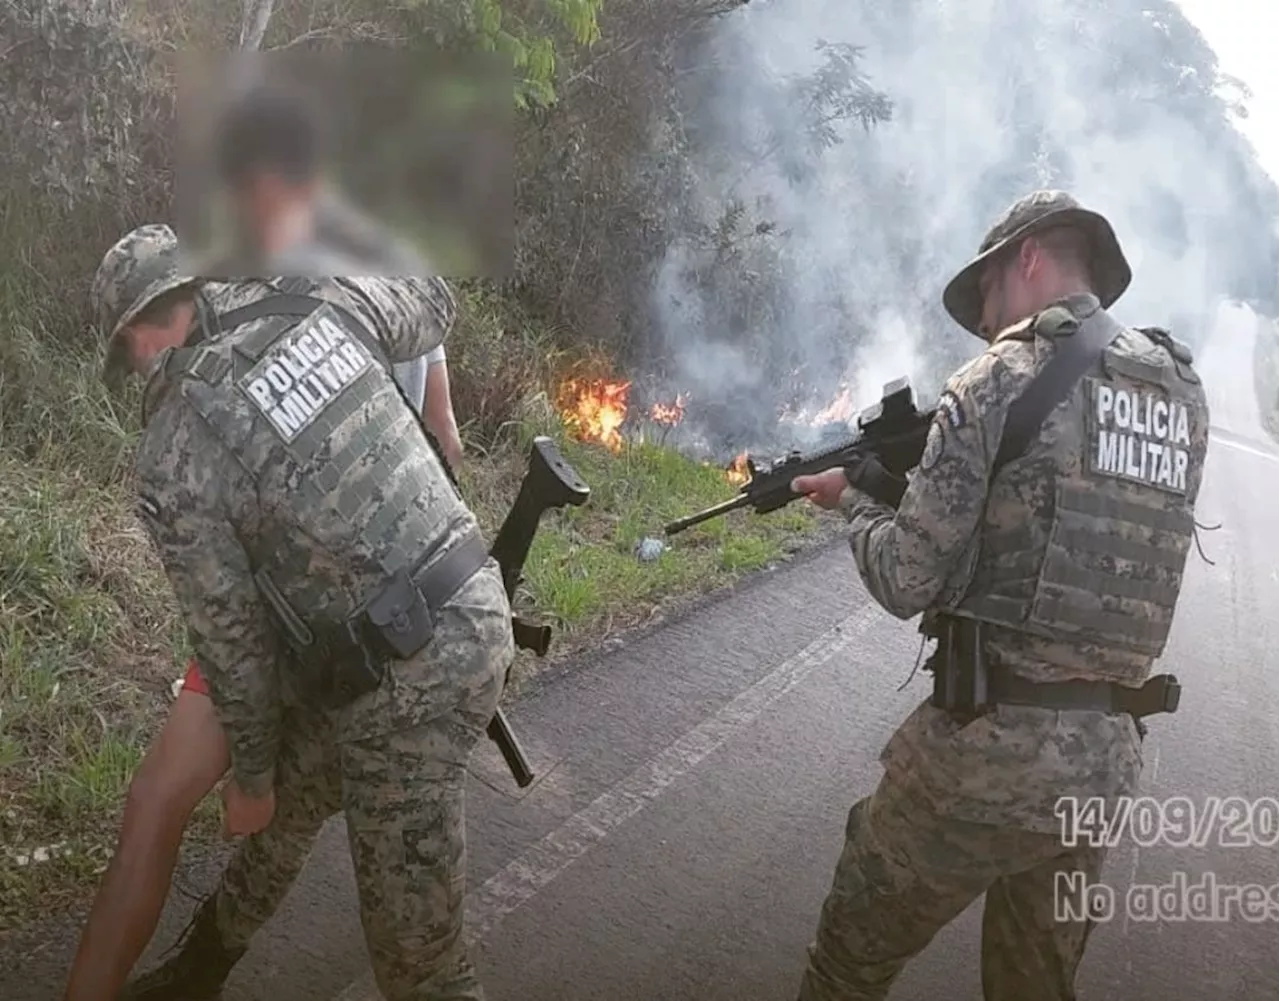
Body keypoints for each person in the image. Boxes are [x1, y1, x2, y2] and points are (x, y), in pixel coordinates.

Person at [62, 82, 466, 1001]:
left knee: (205, 811)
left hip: (342, 634)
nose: (135, 369)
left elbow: (233, 632)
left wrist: (247, 771)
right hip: (364, 620)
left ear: (147, 320)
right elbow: (435, 334)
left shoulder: (180, 434)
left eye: (130, 347)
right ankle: (202, 964)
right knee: (237, 813)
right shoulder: (309, 285)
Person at [789, 190, 1210, 1000]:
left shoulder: (995, 379)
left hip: (983, 762)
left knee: (846, 965)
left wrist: (851, 503)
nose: (984, 322)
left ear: (1027, 258)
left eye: (983, 295)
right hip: (1102, 767)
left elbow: (908, 578)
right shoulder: (1178, 394)